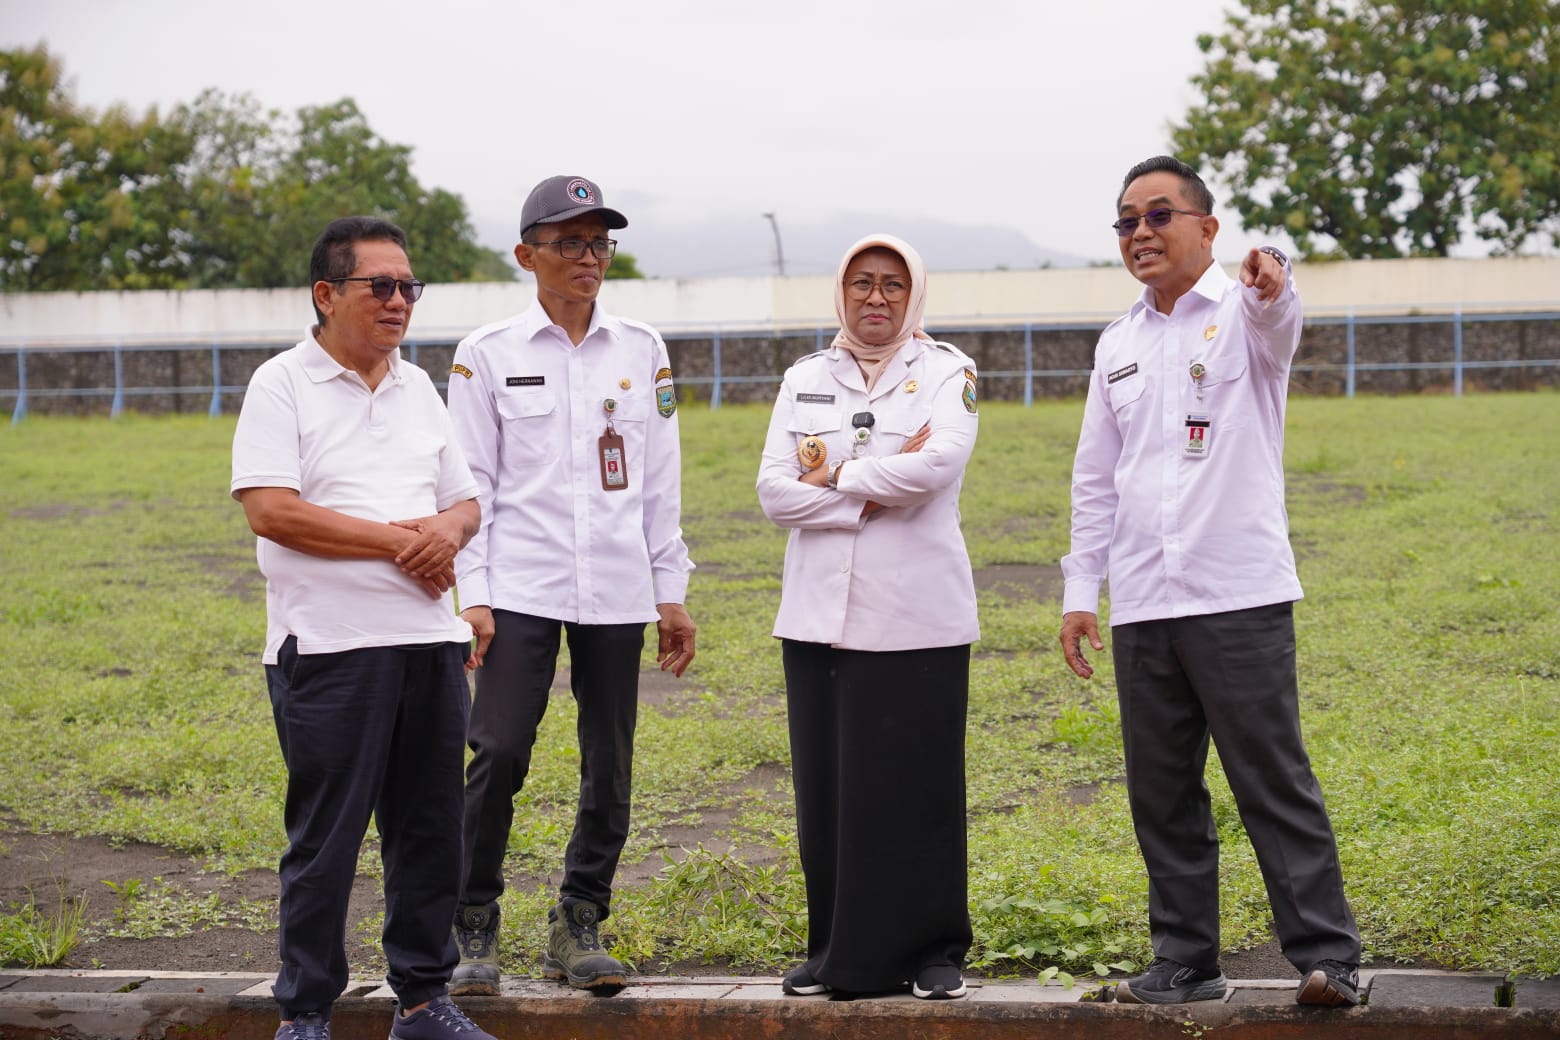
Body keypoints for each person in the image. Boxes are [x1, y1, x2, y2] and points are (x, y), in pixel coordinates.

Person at [1058, 156, 1363, 1008]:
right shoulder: (1117, 344)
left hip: (1237, 595)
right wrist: (1082, 592)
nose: (1141, 232)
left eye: (1160, 215)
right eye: (1127, 221)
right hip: (1144, 599)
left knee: (1270, 778)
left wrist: (1275, 278)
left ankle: (1328, 957)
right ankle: (1186, 960)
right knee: (1161, 793)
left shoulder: (1245, 314)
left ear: (1207, 228)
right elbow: (1095, 477)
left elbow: (1279, 313)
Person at [231, 217, 495, 1040]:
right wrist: (398, 542)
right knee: (327, 838)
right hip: (330, 649)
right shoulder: (282, 383)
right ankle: (306, 1012)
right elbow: (272, 511)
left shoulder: (417, 388)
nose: (398, 301)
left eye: (408, 287)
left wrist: (445, 533)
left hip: (429, 644)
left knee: (430, 833)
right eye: (379, 285)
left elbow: (466, 503)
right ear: (326, 293)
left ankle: (423, 1001)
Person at [444, 175, 696, 996]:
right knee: (498, 750)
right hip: (520, 583)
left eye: (599, 243)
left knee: (610, 760)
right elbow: (470, 485)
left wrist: (669, 588)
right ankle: (471, 919)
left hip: (617, 585)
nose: (589, 258)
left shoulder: (642, 349)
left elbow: (659, 480)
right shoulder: (487, 354)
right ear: (528, 255)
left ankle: (579, 918)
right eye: (570, 243)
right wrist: (473, 593)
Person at [756, 233, 980, 1001]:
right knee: (830, 792)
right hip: (819, 617)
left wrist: (834, 473)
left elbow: (936, 467)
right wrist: (869, 495)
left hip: (919, 614)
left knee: (918, 788)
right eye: (861, 283)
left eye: (891, 284)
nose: (876, 297)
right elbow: (773, 493)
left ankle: (934, 952)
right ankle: (835, 951)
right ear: (842, 293)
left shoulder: (947, 371)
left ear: (912, 294)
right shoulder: (805, 378)